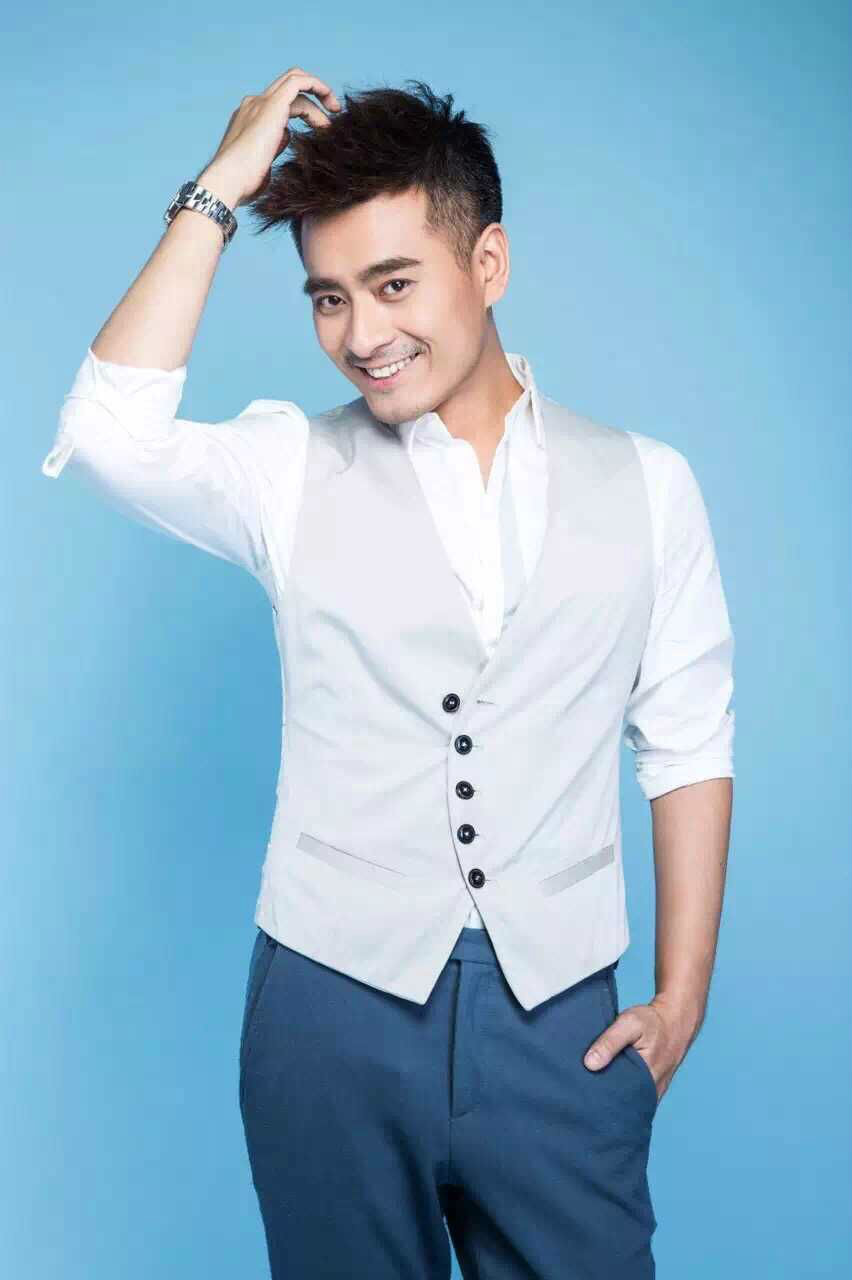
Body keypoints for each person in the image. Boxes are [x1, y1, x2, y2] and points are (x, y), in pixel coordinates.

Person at [41, 69, 735, 1279]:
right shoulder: (288, 468)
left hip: (560, 1019)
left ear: (489, 263)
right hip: (329, 1010)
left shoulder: (649, 483)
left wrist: (684, 995)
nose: (362, 335)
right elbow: (106, 434)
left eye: (394, 283)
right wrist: (220, 185)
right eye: (329, 296)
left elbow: (687, 739)